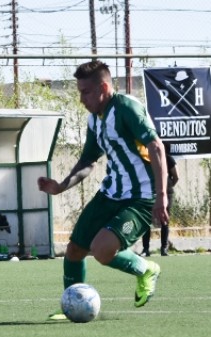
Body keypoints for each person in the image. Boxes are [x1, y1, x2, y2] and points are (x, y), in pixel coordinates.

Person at [37, 60, 168, 321]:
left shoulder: (126, 107)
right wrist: (62, 185)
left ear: (104, 87)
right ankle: (71, 304)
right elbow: (88, 160)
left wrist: (161, 196)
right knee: (74, 250)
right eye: (79, 92)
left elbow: (156, 147)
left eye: (85, 92)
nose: (81, 98)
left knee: (101, 250)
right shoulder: (94, 121)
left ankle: (146, 269)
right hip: (110, 194)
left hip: (140, 198)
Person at [141, 154, 179, 257]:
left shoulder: (168, 158)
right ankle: (145, 249)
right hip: (149, 193)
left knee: (164, 220)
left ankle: (164, 248)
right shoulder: (145, 158)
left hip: (166, 194)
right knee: (146, 221)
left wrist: (167, 187)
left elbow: (176, 176)